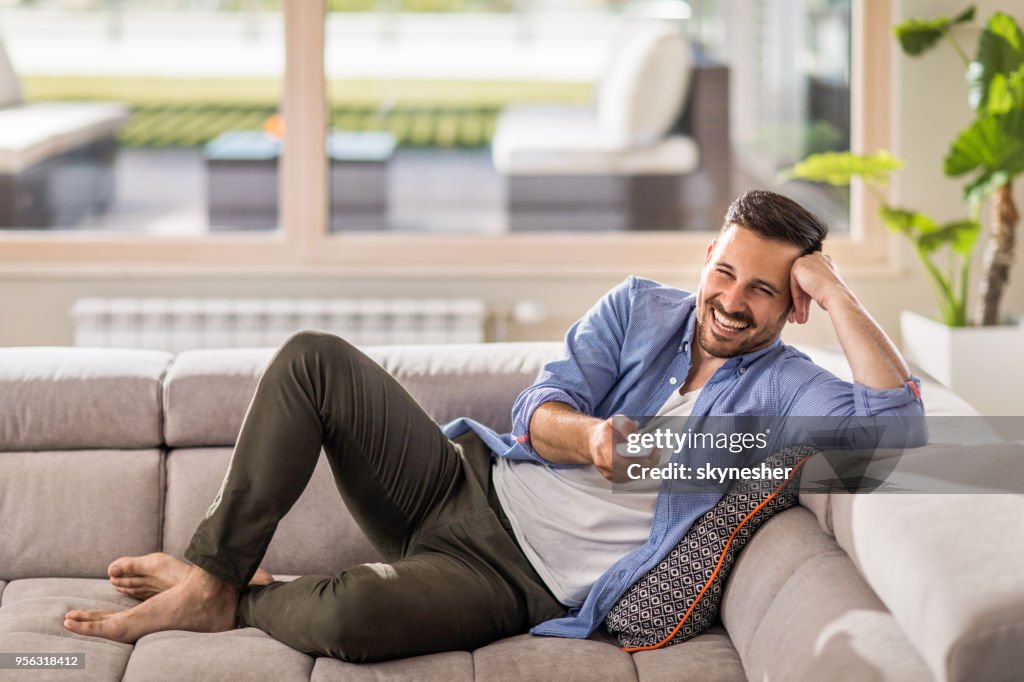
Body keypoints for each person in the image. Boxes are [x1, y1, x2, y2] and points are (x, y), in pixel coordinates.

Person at [62, 189, 925, 661]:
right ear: (708, 258)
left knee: (351, 620)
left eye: (765, 290)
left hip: (516, 580)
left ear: (794, 306)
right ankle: (215, 575)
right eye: (727, 273)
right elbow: (534, 409)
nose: (732, 302)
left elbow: (891, 432)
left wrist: (841, 290)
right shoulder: (636, 308)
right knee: (312, 356)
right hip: (462, 482)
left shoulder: (782, 389)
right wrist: (589, 441)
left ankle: (237, 598)